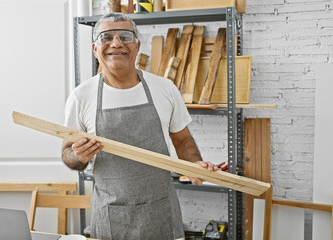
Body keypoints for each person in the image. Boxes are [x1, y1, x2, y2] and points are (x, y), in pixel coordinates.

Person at [62, 12, 219, 240]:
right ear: (95, 49)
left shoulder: (164, 89)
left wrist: (195, 166)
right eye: (106, 37)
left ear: (136, 46)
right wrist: (78, 156)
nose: (116, 43)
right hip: (110, 219)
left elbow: (183, 140)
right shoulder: (81, 96)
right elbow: (67, 154)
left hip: (161, 215)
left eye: (125, 36)